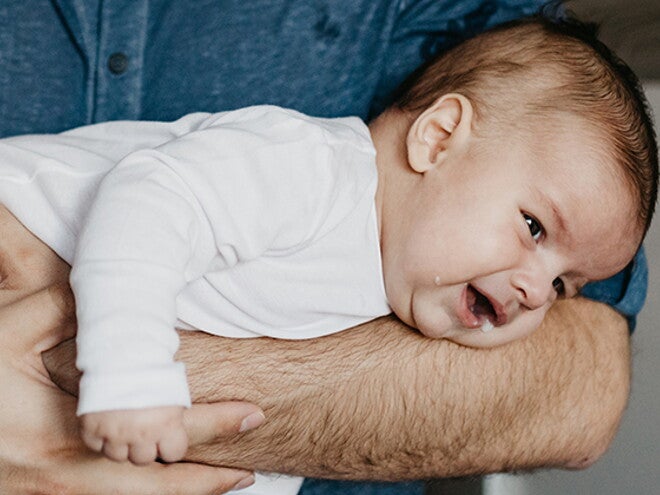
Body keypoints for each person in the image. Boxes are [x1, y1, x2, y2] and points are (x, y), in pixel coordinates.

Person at [0, 1, 650, 494]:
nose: (539, 291)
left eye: (566, 284)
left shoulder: (396, 280)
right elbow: (149, 202)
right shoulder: (316, 172)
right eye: (535, 228)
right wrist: (131, 376)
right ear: (439, 136)